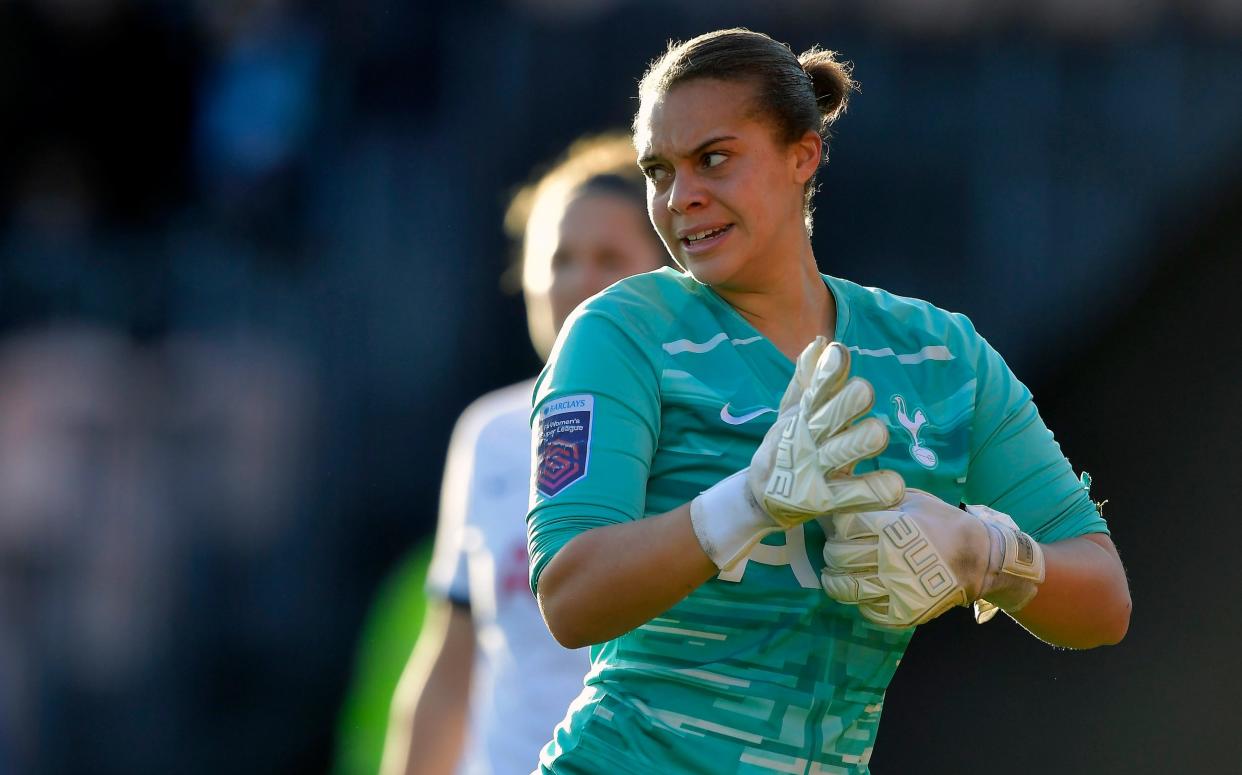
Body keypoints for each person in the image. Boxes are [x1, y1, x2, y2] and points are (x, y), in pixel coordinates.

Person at [527, 28, 1131, 773]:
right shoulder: (623, 330)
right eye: (659, 171)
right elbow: (569, 592)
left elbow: (1104, 598)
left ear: (802, 156)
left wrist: (985, 554)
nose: (680, 197)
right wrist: (746, 502)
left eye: (713, 158)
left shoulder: (941, 354)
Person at [379, 133, 669, 775]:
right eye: (560, 259)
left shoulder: (704, 432)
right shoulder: (490, 433)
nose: (581, 282)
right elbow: (451, 664)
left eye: (609, 257)